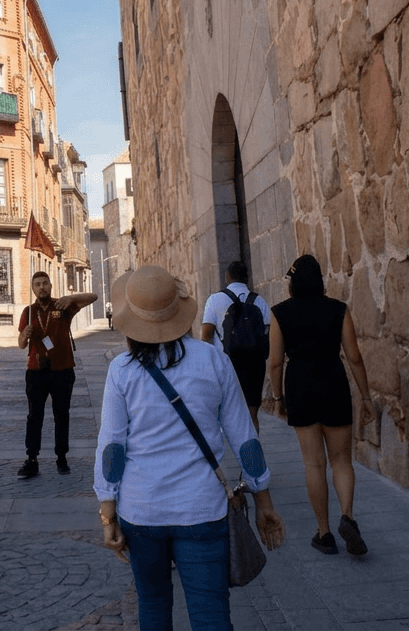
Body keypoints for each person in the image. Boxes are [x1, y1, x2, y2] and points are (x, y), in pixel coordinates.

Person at [96, 265, 285, 630]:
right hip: (202, 508)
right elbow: (244, 438)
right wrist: (264, 502)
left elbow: (112, 447)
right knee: (211, 613)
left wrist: (108, 512)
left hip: (142, 510)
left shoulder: (121, 370)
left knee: (152, 607)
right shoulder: (213, 360)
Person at [267, 254, 376, 556]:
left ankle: (324, 533)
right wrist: (366, 397)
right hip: (333, 382)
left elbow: (275, 362)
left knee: (313, 463)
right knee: (341, 460)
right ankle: (348, 516)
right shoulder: (338, 309)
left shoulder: (280, 313)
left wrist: (278, 398)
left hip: (300, 384)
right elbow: (354, 356)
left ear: (292, 282)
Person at [16, 271, 97, 478]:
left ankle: (61, 458)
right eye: (37, 285)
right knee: (34, 416)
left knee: (62, 415)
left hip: (62, 370)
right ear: (32, 289)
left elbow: (93, 297)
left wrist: (71, 298)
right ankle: (31, 459)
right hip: (36, 371)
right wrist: (24, 335)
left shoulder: (62, 306)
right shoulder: (29, 311)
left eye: (44, 283)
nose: (41, 287)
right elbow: (21, 344)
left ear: (51, 286)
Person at [200, 260, 271, 433]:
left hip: (226, 364)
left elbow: (206, 335)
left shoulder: (214, 300)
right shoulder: (259, 301)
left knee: (228, 413)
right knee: (252, 414)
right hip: (255, 365)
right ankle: (254, 452)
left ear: (227, 276)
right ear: (247, 278)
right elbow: (267, 332)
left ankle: (237, 452)